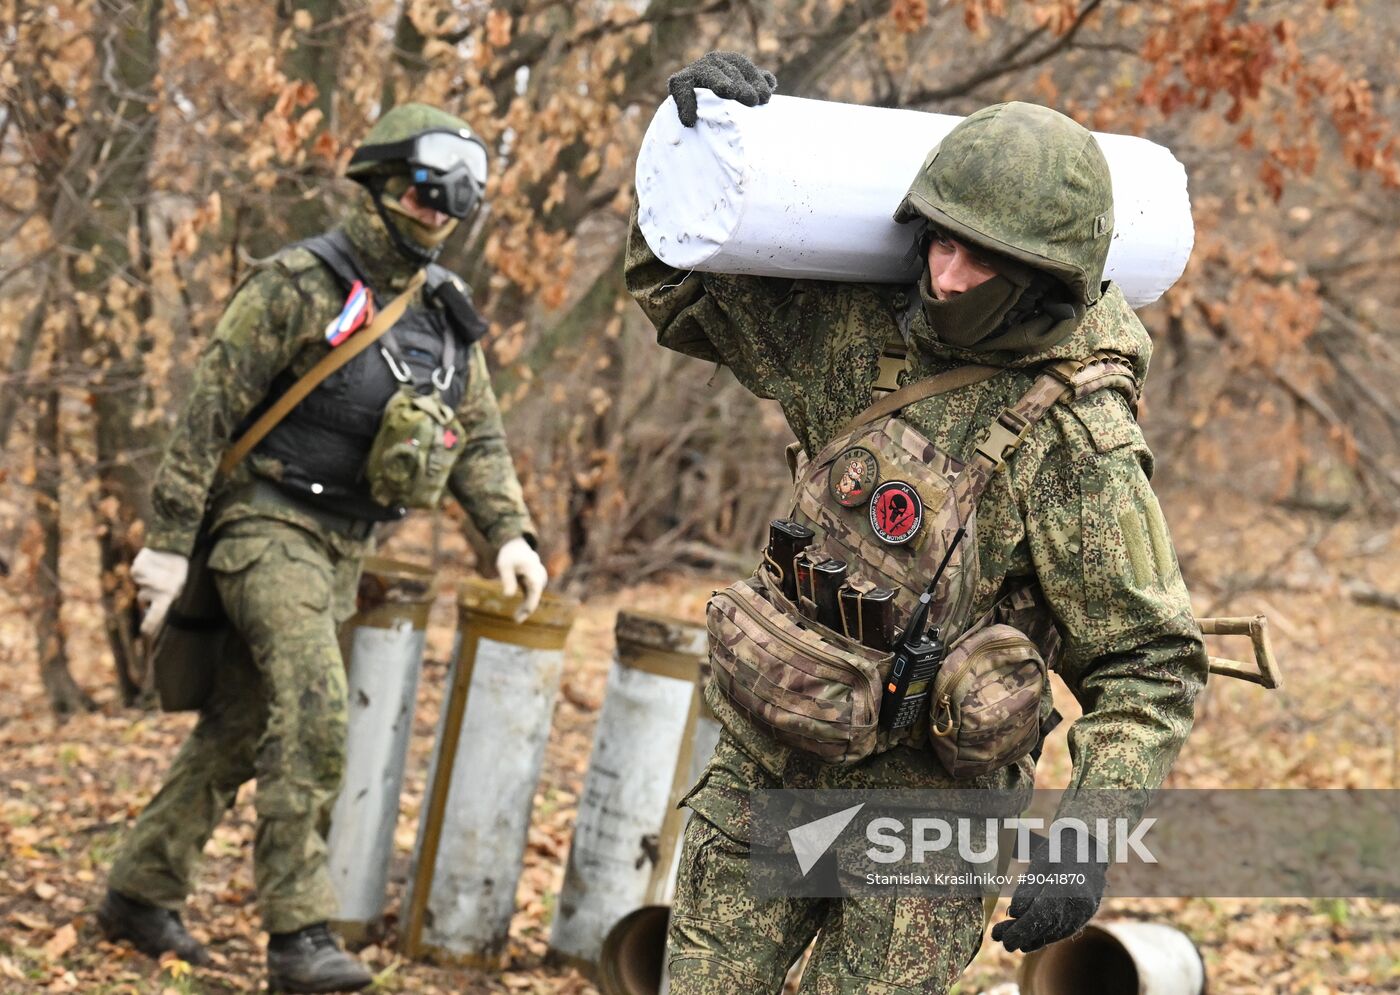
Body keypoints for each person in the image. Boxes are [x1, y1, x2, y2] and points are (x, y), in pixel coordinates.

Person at [627, 53, 1209, 993]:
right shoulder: (858, 332)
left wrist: (1085, 837)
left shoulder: (1076, 438)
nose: (944, 275)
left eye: (980, 259)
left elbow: (1150, 660)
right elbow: (677, 285)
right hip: (777, 762)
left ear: (1043, 281)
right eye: (938, 240)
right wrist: (701, 139)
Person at [99, 103, 547, 993]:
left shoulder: (447, 320)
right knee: (313, 708)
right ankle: (299, 935)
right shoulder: (299, 284)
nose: (436, 212)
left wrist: (510, 534)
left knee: (235, 729)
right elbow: (208, 411)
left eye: (456, 199)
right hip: (263, 526)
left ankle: (138, 893)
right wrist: (167, 546)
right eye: (424, 189)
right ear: (380, 180)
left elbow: (480, 441)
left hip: (342, 547)